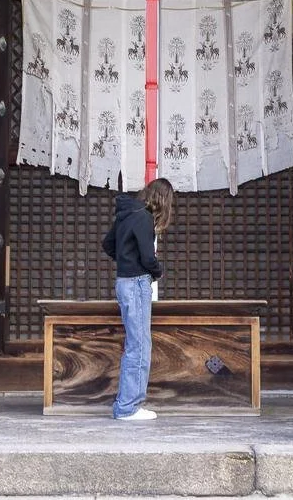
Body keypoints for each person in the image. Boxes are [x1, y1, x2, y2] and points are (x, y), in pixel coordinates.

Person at [102, 177, 175, 422]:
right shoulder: (143, 217)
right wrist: (157, 272)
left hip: (123, 282)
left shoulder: (125, 214)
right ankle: (128, 407)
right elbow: (147, 256)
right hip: (137, 283)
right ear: (163, 200)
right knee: (139, 345)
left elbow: (107, 244)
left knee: (134, 344)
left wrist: (125, 258)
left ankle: (126, 404)